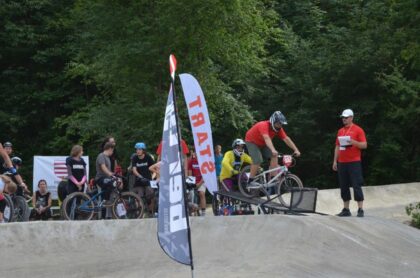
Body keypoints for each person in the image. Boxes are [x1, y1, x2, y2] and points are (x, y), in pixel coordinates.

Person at [245, 111, 301, 187]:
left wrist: (296, 149)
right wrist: (272, 149)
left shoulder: (279, 129)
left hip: (263, 143)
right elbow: (266, 138)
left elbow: (286, 139)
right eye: (278, 123)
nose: (280, 126)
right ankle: (250, 181)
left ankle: (273, 177)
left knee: (275, 155)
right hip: (251, 142)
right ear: (272, 121)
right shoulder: (263, 125)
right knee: (258, 160)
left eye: (281, 124)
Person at [332, 109, 367, 217]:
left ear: (351, 118)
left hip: (354, 162)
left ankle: (360, 209)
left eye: (346, 117)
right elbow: (337, 146)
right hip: (342, 162)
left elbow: (364, 145)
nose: (344, 119)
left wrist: (354, 142)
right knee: (344, 186)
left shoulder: (358, 130)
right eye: (343, 117)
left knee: (356, 184)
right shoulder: (340, 131)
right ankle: (346, 209)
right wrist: (334, 161)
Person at [131, 142, 156, 215]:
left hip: (148, 180)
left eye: (139, 149)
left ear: (143, 150)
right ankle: (140, 213)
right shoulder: (135, 158)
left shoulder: (148, 157)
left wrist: (153, 177)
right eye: (137, 149)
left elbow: (154, 168)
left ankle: (151, 212)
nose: (138, 151)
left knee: (150, 194)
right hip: (139, 180)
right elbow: (134, 170)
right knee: (139, 196)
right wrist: (140, 176)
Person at [188, 149, 207, 216]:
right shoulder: (191, 161)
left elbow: (205, 175)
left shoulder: (203, 162)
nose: (196, 154)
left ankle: (203, 211)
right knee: (190, 194)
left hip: (202, 181)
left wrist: (199, 183)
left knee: (202, 193)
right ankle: (191, 210)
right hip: (193, 181)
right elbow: (190, 173)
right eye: (195, 153)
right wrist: (191, 183)